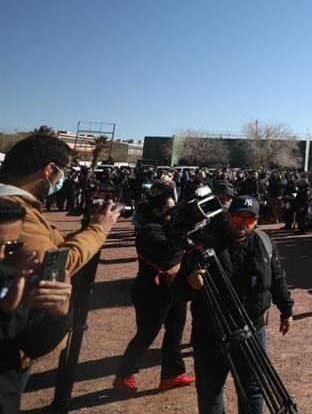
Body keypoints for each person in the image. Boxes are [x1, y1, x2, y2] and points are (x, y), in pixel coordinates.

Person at [173, 196, 294, 414]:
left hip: (252, 328)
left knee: (253, 388)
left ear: (257, 220)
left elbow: (277, 278)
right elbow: (179, 292)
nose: (243, 224)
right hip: (211, 331)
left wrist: (286, 310)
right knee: (210, 390)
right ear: (229, 216)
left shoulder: (265, 243)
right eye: (238, 217)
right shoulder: (204, 245)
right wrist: (191, 283)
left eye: (250, 220)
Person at [0, 135, 121, 279]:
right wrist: (99, 229)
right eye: (64, 170)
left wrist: (90, 226)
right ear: (50, 169)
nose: (62, 177)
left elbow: (54, 244)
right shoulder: (11, 211)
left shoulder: (23, 204)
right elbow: (54, 267)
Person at [114, 184, 194, 394]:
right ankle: (123, 374)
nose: (173, 213)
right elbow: (167, 255)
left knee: (175, 331)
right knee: (147, 333)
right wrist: (182, 235)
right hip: (151, 291)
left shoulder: (170, 227)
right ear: (158, 210)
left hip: (174, 287)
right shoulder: (150, 230)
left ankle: (172, 374)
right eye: (170, 209)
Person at [0, 199, 74, 413]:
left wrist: (58, 314)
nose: (2, 255)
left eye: (11, 246)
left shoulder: (14, 279)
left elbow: (33, 345)